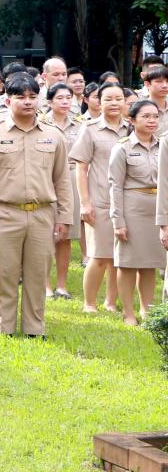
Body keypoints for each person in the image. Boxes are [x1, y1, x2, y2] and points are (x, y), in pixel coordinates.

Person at [0, 74, 71, 338]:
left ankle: (34, 329)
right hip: (5, 213)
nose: (27, 102)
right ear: (8, 100)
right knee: (4, 275)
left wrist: (65, 218)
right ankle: (4, 328)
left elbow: (63, 180)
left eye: (32, 96)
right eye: (20, 97)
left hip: (42, 215)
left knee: (38, 275)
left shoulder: (54, 136)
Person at [70, 82, 129, 313]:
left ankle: (111, 302)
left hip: (127, 202)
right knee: (99, 255)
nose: (114, 103)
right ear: (98, 102)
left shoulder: (131, 128)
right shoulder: (90, 129)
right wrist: (85, 203)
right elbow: (81, 168)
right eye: (108, 99)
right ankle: (89, 303)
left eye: (118, 99)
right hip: (100, 200)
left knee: (119, 256)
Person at [110, 100, 161, 325]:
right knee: (128, 263)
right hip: (132, 209)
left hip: (157, 209)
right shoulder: (122, 147)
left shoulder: (163, 146)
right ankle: (128, 312)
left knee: (150, 263)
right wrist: (118, 220)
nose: (152, 121)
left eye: (155, 116)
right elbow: (115, 186)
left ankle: (146, 311)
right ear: (132, 120)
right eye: (146, 116)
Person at [43, 83, 83, 300]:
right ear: (50, 101)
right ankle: (46, 284)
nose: (65, 102)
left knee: (65, 234)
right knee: (45, 234)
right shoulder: (41, 123)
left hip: (71, 178)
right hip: (46, 179)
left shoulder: (80, 125)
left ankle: (61, 284)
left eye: (69, 98)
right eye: (60, 98)